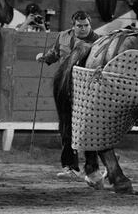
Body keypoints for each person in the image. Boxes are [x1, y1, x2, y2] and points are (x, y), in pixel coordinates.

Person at [36, 11, 100, 179]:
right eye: (80, 26)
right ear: (73, 25)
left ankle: (92, 167)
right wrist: (45, 58)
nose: (84, 29)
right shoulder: (63, 36)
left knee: (88, 127)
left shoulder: (99, 40)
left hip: (87, 88)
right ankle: (70, 167)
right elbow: (55, 54)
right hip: (64, 85)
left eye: (86, 25)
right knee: (65, 125)